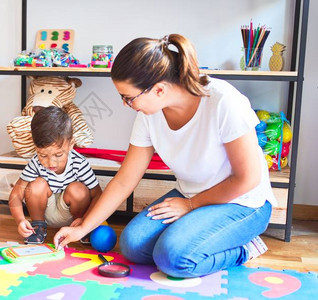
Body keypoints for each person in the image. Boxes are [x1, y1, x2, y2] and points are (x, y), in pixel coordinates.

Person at [54, 34, 276, 278]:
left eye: (128, 97)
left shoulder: (224, 101)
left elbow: (247, 179)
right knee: (132, 245)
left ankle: (244, 249)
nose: (125, 105)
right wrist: (84, 226)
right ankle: (192, 239)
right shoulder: (149, 115)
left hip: (243, 202)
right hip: (191, 196)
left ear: (158, 89)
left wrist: (191, 205)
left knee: (173, 259)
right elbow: (125, 180)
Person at [9, 106, 102, 244]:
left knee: (78, 189)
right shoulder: (35, 163)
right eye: (43, 155)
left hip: (73, 216)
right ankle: (38, 227)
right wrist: (20, 220)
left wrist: (85, 221)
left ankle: (81, 230)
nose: (50, 162)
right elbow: (16, 195)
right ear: (36, 148)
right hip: (45, 213)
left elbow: (98, 195)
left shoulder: (79, 163)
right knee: (36, 185)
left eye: (58, 155)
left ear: (71, 144)